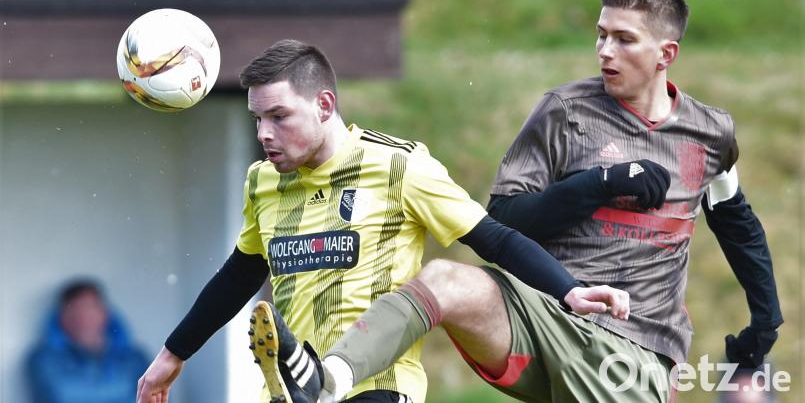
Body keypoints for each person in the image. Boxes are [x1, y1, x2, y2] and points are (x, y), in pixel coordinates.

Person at [256, 0, 783, 403]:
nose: (604, 50)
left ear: (666, 53)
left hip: (633, 354)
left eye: (623, 39)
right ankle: (328, 381)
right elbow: (502, 220)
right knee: (445, 278)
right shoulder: (564, 113)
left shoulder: (709, 133)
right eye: (600, 34)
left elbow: (736, 222)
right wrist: (597, 184)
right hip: (548, 314)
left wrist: (764, 320)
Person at [135, 39, 627, 403]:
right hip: (291, 396)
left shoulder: (400, 166)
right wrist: (171, 356)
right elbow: (238, 276)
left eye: (279, 116)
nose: (264, 133)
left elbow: (492, 238)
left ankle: (324, 375)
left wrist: (568, 290)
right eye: (257, 119)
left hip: (380, 389)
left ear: (324, 105)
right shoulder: (262, 182)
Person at [26, 279, 149, 403]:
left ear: (105, 314)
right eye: (75, 311)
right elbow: (59, 397)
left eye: (89, 309)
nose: (83, 318)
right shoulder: (44, 360)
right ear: (61, 318)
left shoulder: (135, 359)